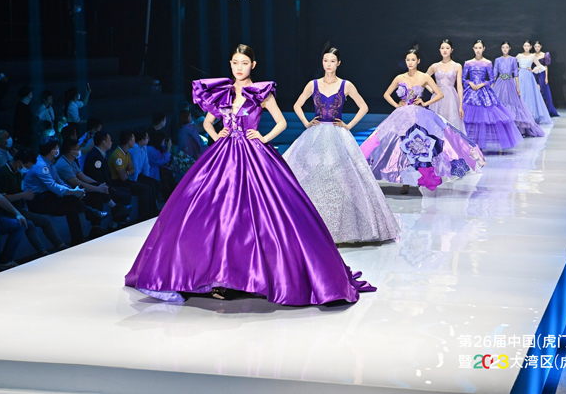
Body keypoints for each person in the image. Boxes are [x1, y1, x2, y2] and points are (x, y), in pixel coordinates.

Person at [125, 44, 375, 305]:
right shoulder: (222, 93)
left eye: (244, 63)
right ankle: (214, 274)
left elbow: (281, 122)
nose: (239, 67)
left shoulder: (260, 92)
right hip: (223, 156)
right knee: (216, 214)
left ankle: (246, 276)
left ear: (253, 65)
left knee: (253, 215)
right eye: (235, 62)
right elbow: (208, 122)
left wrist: (263, 138)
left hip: (253, 156)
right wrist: (216, 135)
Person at [283, 47, 400, 244]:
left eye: (332, 61)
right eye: (325, 60)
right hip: (316, 133)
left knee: (341, 175)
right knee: (312, 173)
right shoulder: (313, 84)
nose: (328, 64)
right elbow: (297, 105)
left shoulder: (346, 85)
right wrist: (305, 122)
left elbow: (363, 107)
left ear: (338, 63)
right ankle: (312, 225)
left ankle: (342, 228)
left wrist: (349, 126)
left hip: (338, 134)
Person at [361, 46, 485, 194]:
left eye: (413, 60)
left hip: (419, 115)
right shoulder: (400, 77)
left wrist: (425, 103)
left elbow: (439, 94)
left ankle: (421, 178)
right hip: (402, 115)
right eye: (408, 60)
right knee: (400, 145)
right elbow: (386, 94)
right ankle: (405, 181)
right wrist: (396, 105)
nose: (410, 62)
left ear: (418, 61)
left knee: (420, 146)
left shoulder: (424, 77)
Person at [23, 136, 107, 245]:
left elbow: (59, 181)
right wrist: (73, 193)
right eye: (56, 147)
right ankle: (90, 212)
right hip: (36, 201)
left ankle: (78, 240)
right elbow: (53, 186)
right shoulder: (41, 165)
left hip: (48, 198)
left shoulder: (49, 163)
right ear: (52, 151)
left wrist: (74, 191)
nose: (58, 149)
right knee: (70, 197)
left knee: (71, 208)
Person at [0, 148, 67, 256]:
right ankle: (43, 252)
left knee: (45, 221)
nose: (27, 170)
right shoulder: (4, 174)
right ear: (20, 162)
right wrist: (22, 195)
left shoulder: (17, 173)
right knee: (29, 224)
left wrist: (25, 196)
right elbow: (1, 198)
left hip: (19, 209)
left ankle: (61, 246)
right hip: (6, 211)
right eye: (27, 167)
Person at [56, 139, 130, 237]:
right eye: (77, 149)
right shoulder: (63, 164)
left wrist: (99, 185)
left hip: (78, 191)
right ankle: (115, 208)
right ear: (72, 152)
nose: (79, 150)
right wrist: (98, 188)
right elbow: (78, 183)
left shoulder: (71, 161)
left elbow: (83, 177)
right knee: (98, 193)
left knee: (98, 197)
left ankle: (96, 228)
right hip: (70, 194)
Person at [461, 40, 523, 150]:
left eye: (480, 48)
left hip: (483, 92)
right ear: (473, 49)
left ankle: (481, 142)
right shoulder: (468, 63)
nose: (478, 50)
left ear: (483, 49)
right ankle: (467, 143)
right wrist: (470, 83)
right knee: (468, 117)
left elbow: (491, 79)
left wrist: (482, 84)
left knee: (484, 117)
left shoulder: (488, 63)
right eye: (476, 48)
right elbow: (463, 78)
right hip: (471, 92)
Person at [492, 42, 545, 137]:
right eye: (503, 47)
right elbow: (494, 74)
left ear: (509, 48)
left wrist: (517, 87)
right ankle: (500, 127)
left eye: (506, 47)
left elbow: (516, 74)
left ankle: (512, 127)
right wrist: (492, 86)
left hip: (510, 82)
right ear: (501, 48)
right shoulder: (498, 60)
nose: (505, 49)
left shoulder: (513, 59)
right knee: (500, 103)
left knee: (513, 104)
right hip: (500, 83)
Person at [109, 131, 154, 221]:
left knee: (150, 186)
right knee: (144, 188)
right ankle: (143, 217)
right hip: (117, 182)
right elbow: (123, 177)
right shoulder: (118, 155)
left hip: (125, 180)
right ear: (129, 141)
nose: (135, 142)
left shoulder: (126, 153)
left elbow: (132, 169)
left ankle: (150, 214)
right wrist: (127, 173)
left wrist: (127, 172)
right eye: (133, 140)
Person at [425, 39, 466, 133]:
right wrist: (432, 90)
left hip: (451, 98)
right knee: (436, 122)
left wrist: (461, 106)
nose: (445, 50)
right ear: (439, 50)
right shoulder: (435, 66)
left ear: (451, 50)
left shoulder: (457, 66)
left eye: (447, 48)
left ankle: (451, 142)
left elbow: (459, 87)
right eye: (442, 48)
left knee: (451, 121)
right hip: (437, 98)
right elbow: (424, 80)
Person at [517, 40, 553, 125]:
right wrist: (517, 68)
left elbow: (540, 66)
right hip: (520, 76)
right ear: (523, 47)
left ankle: (530, 115)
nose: (526, 47)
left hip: (528, 77)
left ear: (530, 47)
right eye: (525, 46)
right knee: (520, 93)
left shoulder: (532, 56)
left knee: (529, 95)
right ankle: (520, 115)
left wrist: (532, 70)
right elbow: (512, 63)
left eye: (528, 46)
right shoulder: (519, 55)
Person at [129, 129, 161, 209]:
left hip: (140, 175)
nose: (148, 139)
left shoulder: (144, 148)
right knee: (148, 187)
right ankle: (146, 212)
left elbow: (146, 165)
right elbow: (135, 166)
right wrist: (135, 182)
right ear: (141, 140)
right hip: (133, 176)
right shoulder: (134, 149)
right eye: (146, 138)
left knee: (156, 184)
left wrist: (147, 178)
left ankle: (153, 208)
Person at [533, 41, 560, 117]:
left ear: (541, 47)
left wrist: (546, 77)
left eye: (538, 46)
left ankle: (546, 110)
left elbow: (545, 67)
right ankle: (536, 110)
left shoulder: (544, 55)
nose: (537, 48)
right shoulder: (532, 55)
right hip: (534, 74)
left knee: (544, 92)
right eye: (535, 46)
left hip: (542, 74)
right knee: (535, 91)